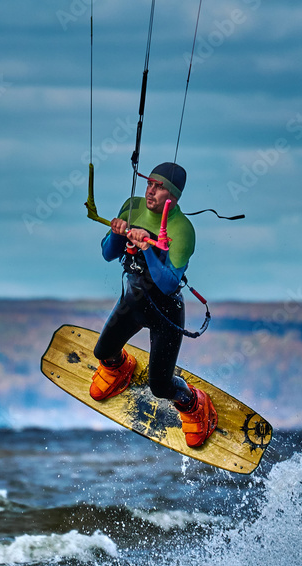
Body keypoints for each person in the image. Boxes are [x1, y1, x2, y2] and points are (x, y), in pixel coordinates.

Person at [87, 162, 217, 447]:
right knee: (104, 352)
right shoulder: (132, 206)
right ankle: (120, 369)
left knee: (159, 387)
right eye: (150, 184)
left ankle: (194, 404)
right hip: (132, 302)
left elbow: (169, 284)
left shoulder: (182, 229)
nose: (151, 191)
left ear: (174, 196)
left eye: (160, 188)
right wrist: (117, 234)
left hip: (165, 313)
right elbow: (109, 254)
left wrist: (148, 249)